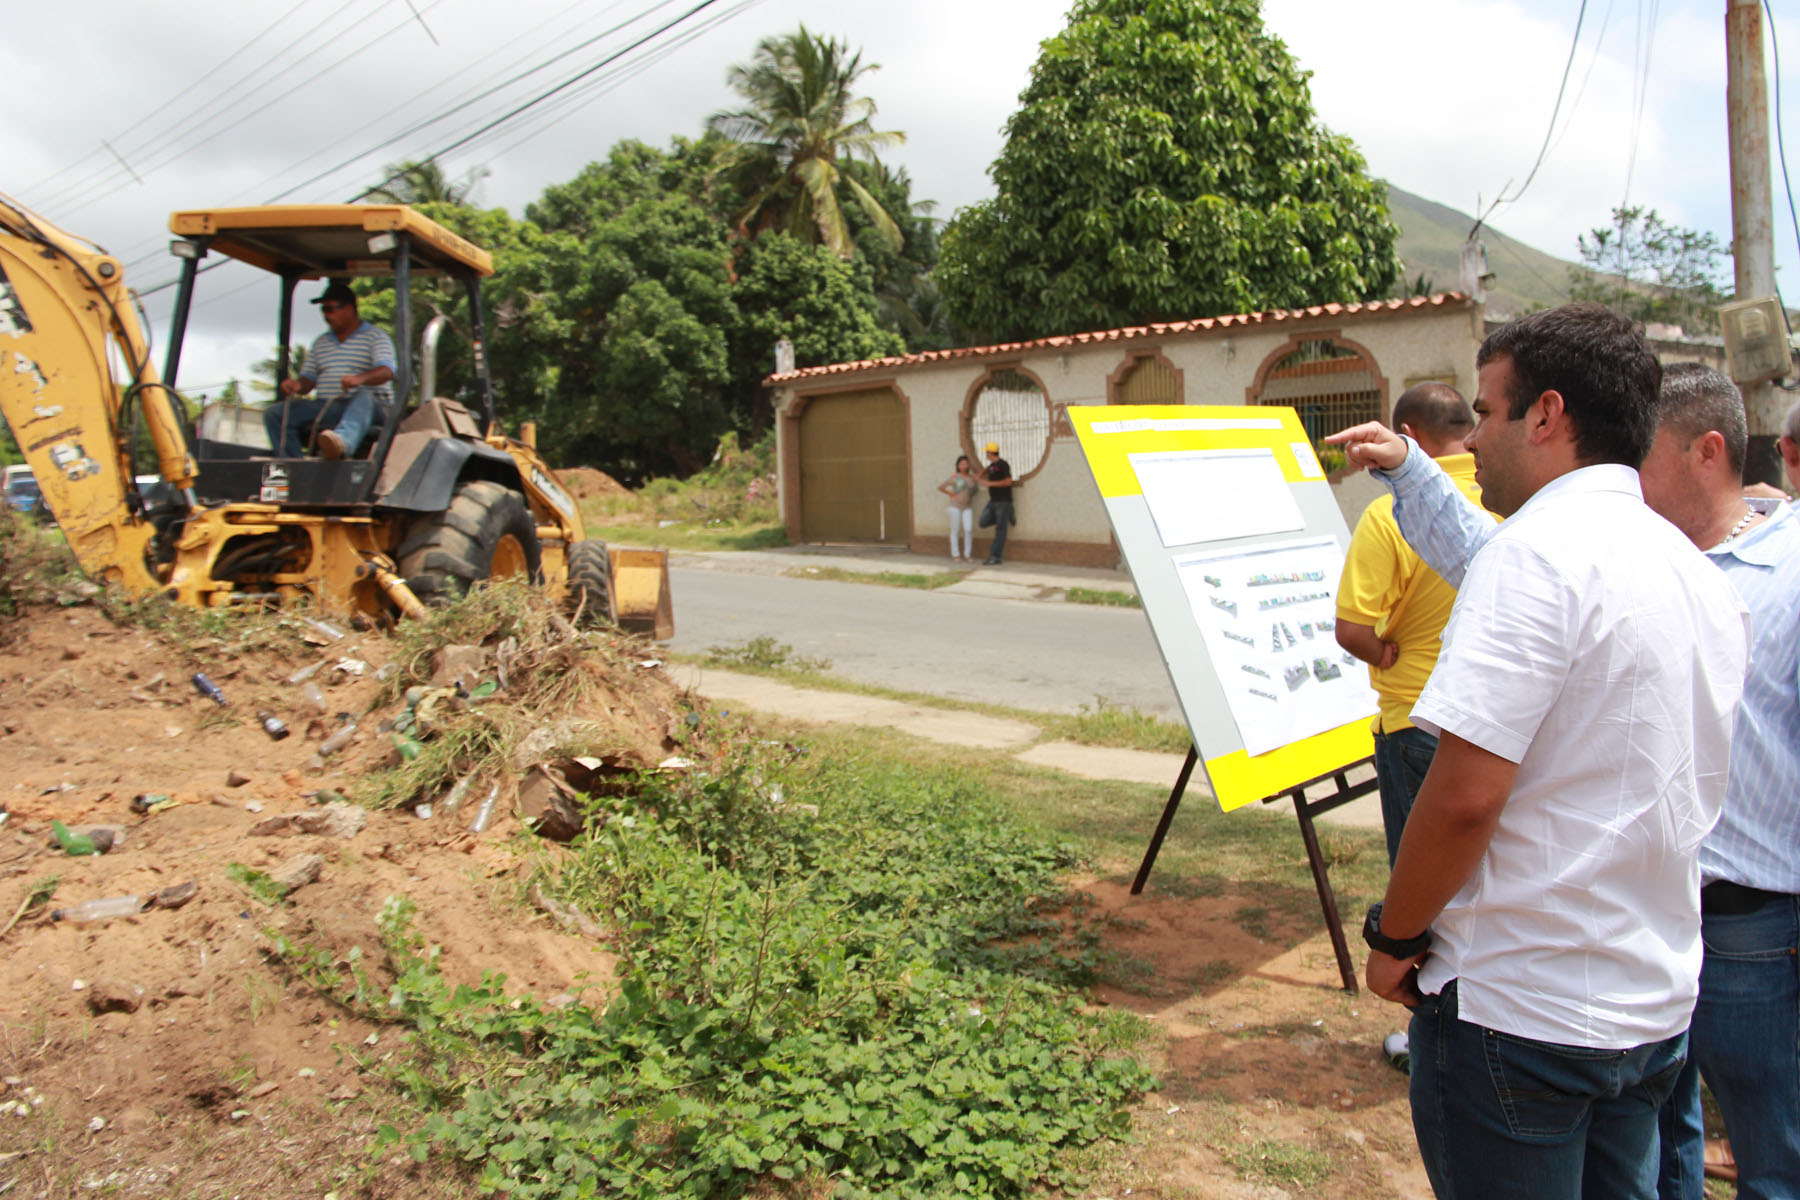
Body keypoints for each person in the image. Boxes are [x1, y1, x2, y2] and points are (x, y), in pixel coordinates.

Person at [1328, 302, 1751, 1200]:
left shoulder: (1534, 557)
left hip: (1521, 1013)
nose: (1471, 439)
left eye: (1485, 412)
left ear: (1548, 415)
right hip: (1651, 1008)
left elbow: (1465, 796)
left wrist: (1394, 937)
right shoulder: (1691, 569)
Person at [1637, 365, 1800, 1200]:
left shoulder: (1789, 574)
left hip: (1755, 928)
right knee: (1664, 1140)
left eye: (1644, 456)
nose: (1629, 478)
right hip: (1660, 914)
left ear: (1706, 452)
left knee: (1772, 1150)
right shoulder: (1646, 562)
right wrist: (1413, 477)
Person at [1335, 382, 1488, 869]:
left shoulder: (1388, 516)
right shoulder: (1513, 498)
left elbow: (1352, 630)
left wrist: (1382, 654)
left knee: (1419, 880)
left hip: (1416, 723)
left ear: (1406, 436)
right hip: (1496, 726)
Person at [265, 280, 396, 459]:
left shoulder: (375, 337)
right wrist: (296, 384)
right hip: (329, 406)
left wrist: (360, 379)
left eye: (330, 309)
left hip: (371, 408)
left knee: (364, 395)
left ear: (349, 309)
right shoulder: (322, 342)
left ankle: (342, 443)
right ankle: (292, 466)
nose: (326, 315)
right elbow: (307, 381)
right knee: (276, 413)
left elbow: (387, 371)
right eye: (323, 310)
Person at [938, 454, 981, 561]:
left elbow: (975, 491)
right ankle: (956, 554)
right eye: (962, 464)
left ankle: (967, 554)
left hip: (967, 507)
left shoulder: (971, 478)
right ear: (958, 465)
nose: (964, 466)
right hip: (955, 506)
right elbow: (941, 487)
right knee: (955, 530)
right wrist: (950, 493)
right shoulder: (954, 477)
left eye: (966, 463)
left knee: (968, 529)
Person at [979, 441, 1015, 565]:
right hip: (993, 502)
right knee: (982, 522)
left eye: (986, 452)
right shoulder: (992, 465)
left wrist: (989, 484)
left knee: (1000, 530)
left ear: (990, 453)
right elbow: (987, 469)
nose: (985, 455)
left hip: (1003, 501)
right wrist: (979, 475)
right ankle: (1007, 515)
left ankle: (995, 557)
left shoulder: (1003, 464)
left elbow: (1008, 482)